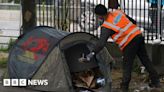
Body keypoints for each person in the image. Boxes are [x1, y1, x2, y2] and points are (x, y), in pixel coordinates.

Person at [79, 4, 161, 92]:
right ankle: (156, 82)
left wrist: (91, 55)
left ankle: (124, 87)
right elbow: (133, 21)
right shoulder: (117, 12)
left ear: (99, 15)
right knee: (146, 60)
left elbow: (101, 43)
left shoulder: (107, 26)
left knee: (127, 65)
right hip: (138, 36)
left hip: (129, 43)